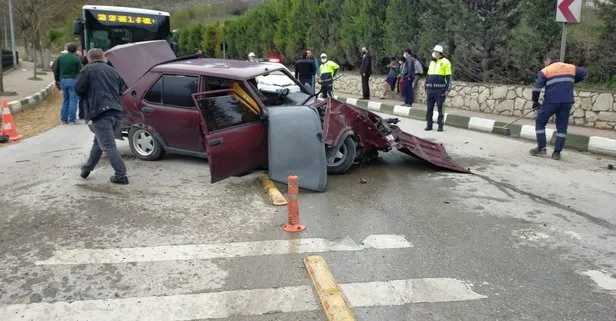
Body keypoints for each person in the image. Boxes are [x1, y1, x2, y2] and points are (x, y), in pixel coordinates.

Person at [74, 48, 129, 185]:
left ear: (88, 57)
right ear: (103, 57)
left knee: (108, 145)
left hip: (100, 113)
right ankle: (87, 168)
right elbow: (123, 88)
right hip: (116, 113)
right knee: (98, 143)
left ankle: (121, 175)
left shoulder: (86, 70)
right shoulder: (113, 70)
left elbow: (78, 90)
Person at [530, 51, 588, 160]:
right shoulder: (571, 67)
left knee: (540, 121)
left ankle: (541, 148)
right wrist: (572, 81)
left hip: (550, 102)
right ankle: (557, 153)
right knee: (562, 127)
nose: (544, 64)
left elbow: (537, 88)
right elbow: (585, 74)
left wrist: (535, 102)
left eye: (544, 62)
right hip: (567, 102)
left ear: (548, 60)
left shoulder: (546, 70)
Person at [424, 45, 452, 132]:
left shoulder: (446, 62)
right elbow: (428, 76)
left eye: (436, 52)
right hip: (430, 89)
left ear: (440, 53)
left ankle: (440, 125)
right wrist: (426, 86)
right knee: (429, 108)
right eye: (434, 51)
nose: (434, 53)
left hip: (440, 90)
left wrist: (447, 89)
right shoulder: (432, 62)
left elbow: (448, 77)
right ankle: (429, 125)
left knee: (440, 108)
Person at [53, 43, 83, 124]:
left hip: (63, 81)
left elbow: (56, 70)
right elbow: (80, 71)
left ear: (67, 49)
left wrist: (57, 80)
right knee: (73, 100)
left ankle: (63, 119)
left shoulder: (60, 58)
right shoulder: (76, 59)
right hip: (74, 81)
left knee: (66, 100)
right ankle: (72, 120)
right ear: (75, 50)